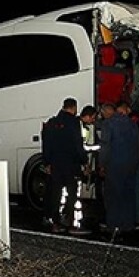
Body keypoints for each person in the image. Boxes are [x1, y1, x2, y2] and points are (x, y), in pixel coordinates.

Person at [41, 97, 88, 234]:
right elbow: (77, 144)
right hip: (70, 164)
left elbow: (46, 145)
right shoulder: (73, 122)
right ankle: (70, 222)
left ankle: (56, 223)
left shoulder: (52, 122)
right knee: (72, 194)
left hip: (55, 164)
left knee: (55, 194)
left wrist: (47, 162)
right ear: (73, 108)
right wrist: (84, 161)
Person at [96, 101, 139, 233]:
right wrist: (135, 163)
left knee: (113, 195)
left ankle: (113, 224)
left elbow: (105, 147)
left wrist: (102, 165)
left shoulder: (108, 124)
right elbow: (138, 146)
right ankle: (128, 224)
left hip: (114, 165)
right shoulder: (132, 124)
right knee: (128, 195)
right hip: (131, 165)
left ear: (107, 112)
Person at [116, 100, 139, 228]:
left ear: (125, 109)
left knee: (132, 191)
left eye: (120, 112)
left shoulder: (134, 120)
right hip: (136, 160)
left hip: (132, 161)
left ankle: (134, 219)